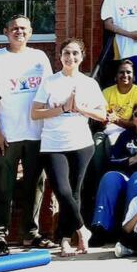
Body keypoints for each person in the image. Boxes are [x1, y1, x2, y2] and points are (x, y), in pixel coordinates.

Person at [31, 38, 107, 257]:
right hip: (53, 144)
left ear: (81, 57)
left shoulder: (89, 83)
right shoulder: (50, 82)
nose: (70, 57)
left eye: (75, 53)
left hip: (81, 143)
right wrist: (63, 108)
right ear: (61, 55)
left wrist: (81, 108)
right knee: (62, 191)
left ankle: (65, 240)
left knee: (73, 193)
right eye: (66, 53)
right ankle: (83, 229)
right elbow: (35, 113)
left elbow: (102, 115)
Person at [0, 14, 53, 253]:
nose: (19, 32)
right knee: (4, 187)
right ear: (5, 31)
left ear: (31, 32)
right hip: (7, 134)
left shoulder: (40, 58)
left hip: (36, 133)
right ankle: (0, 234)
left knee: (35, 185)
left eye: (24, 28)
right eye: (14, 28)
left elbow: (48, 95)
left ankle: (30, 233)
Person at [89, 102, 137, 242]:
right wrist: (134, 159)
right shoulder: (126, 135)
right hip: (124, 173)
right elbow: (112, 160)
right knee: (109, 178)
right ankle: (100, 227)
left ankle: (128, 228)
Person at [101, 60, 137, 144]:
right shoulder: (106, 92)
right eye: (121, 72)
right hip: (109, 129)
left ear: (134, 77)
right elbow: (103, 118)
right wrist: (107, 120)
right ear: (116, 76)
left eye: (128, 72)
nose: (125, 75)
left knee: (112, 141)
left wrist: (118, 120)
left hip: (134, 131)